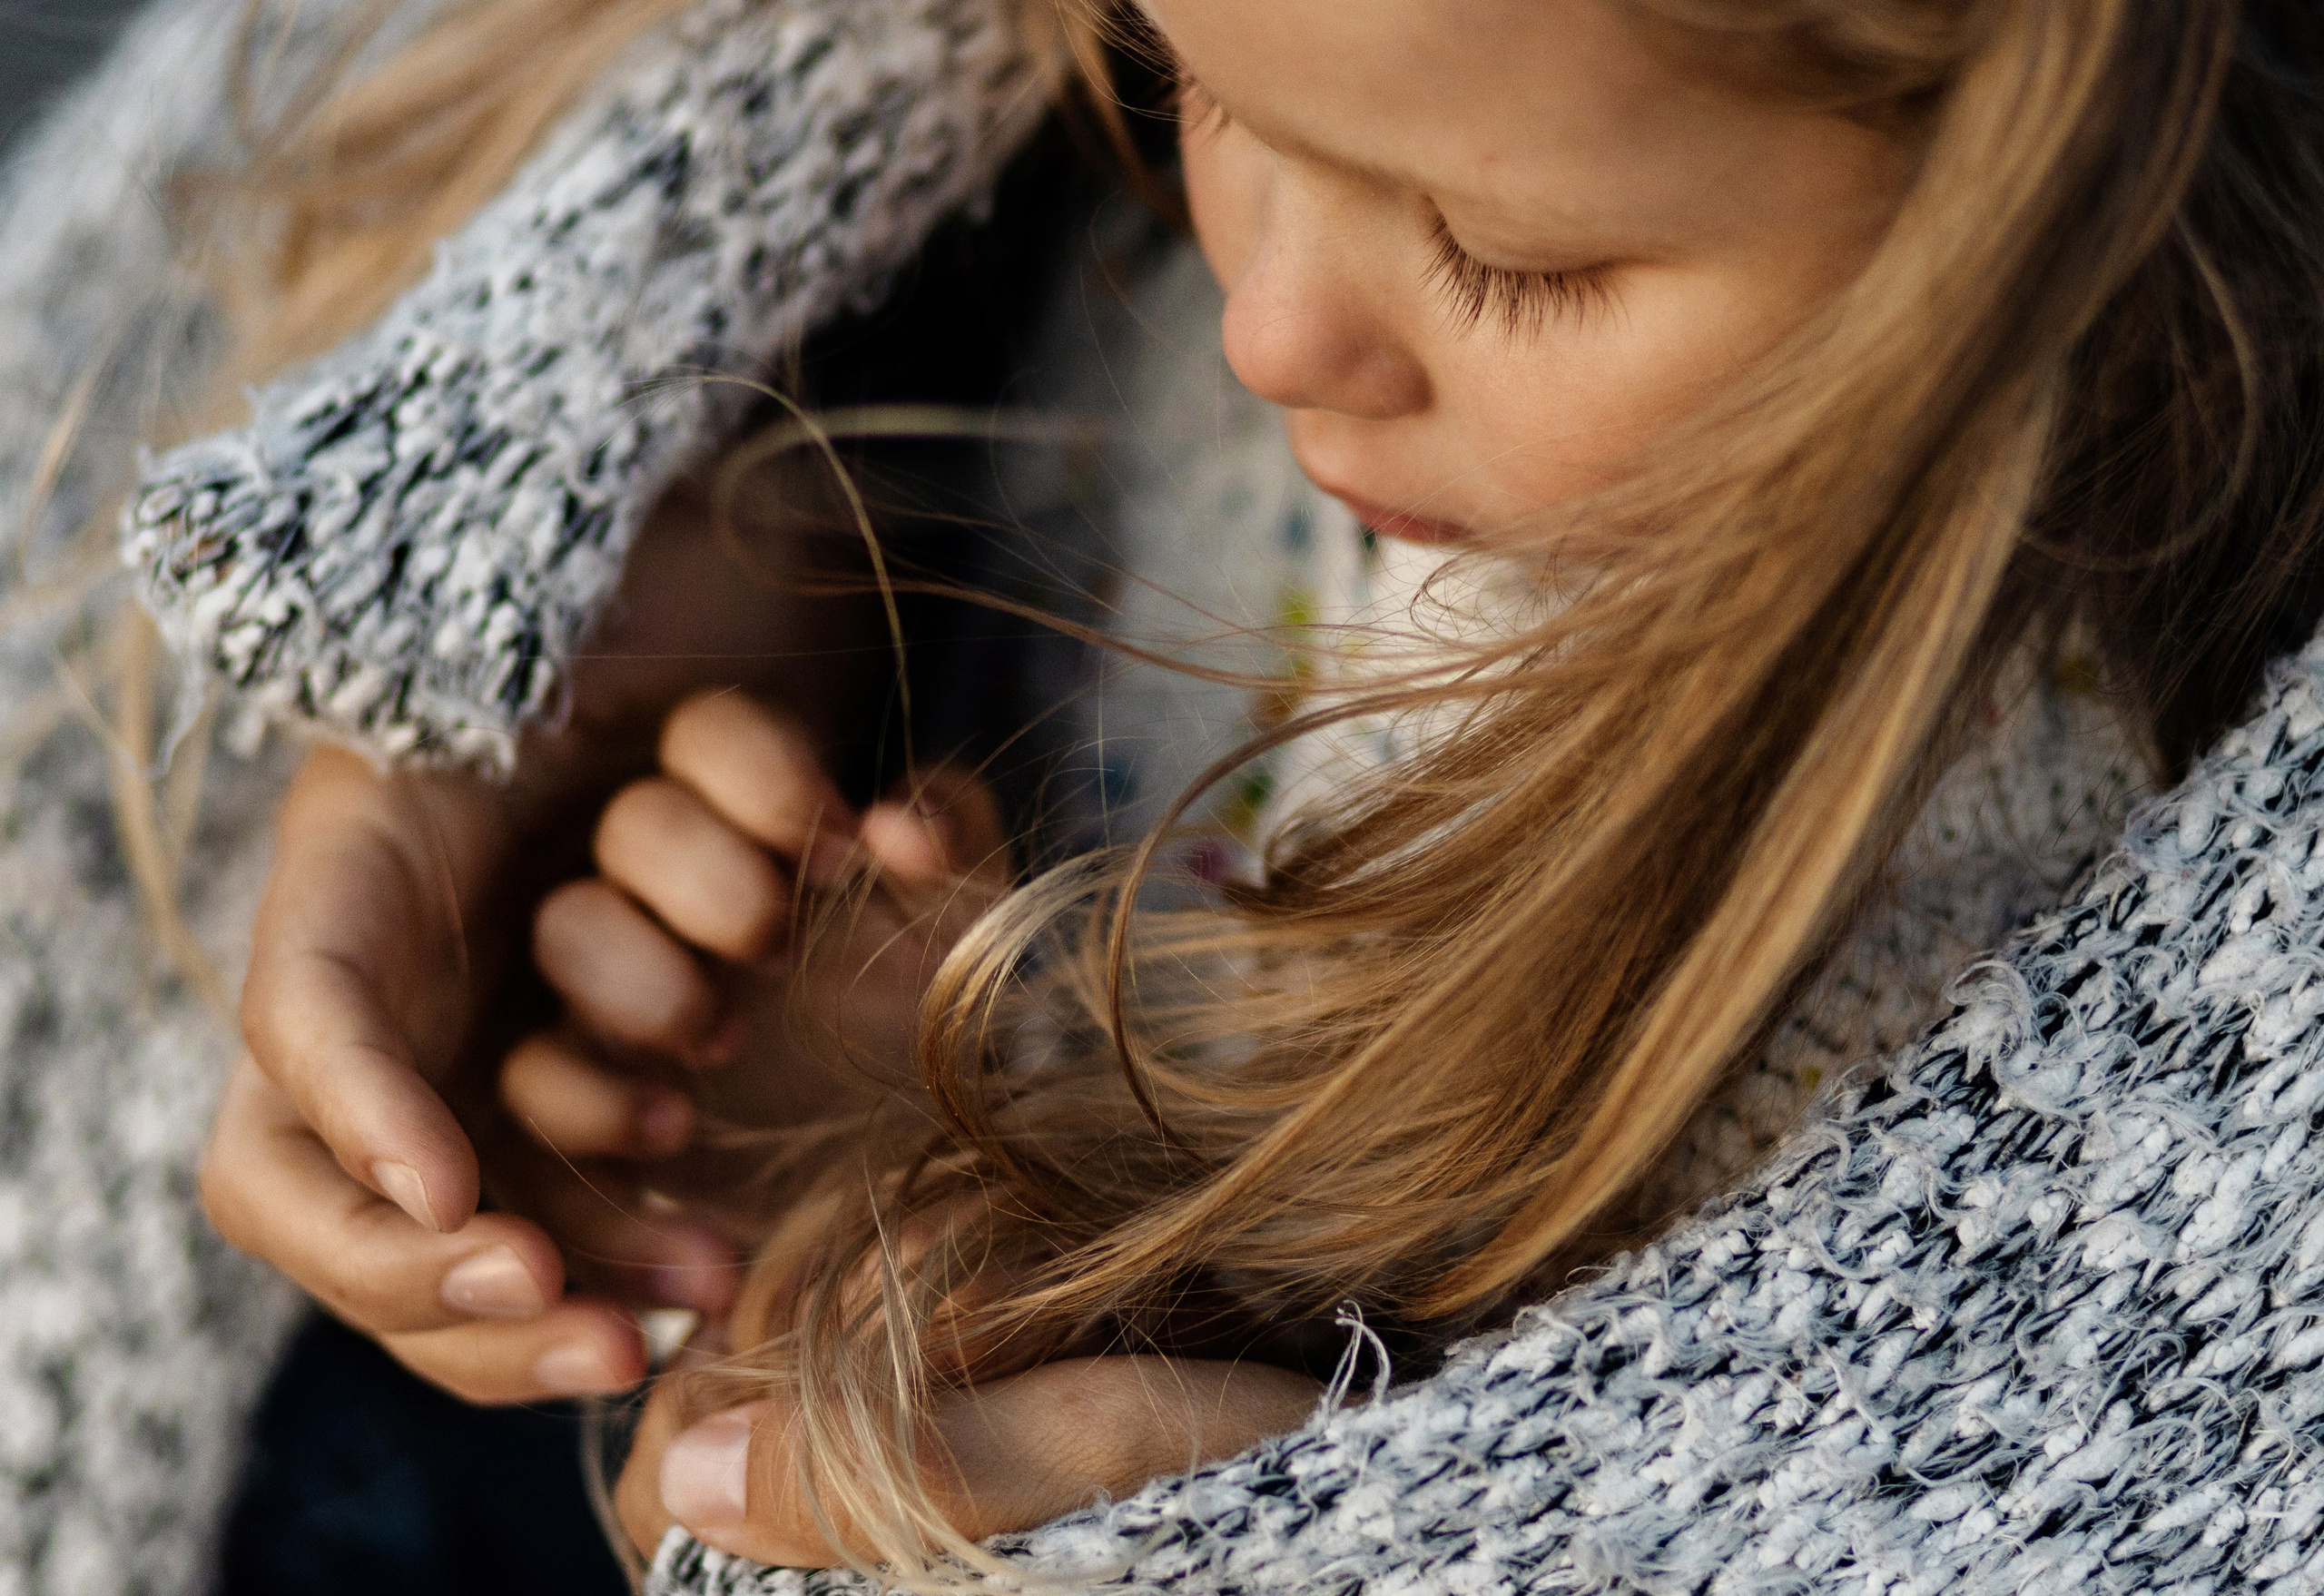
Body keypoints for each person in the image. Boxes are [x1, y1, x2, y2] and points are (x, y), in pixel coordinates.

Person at [24, 1, 2324, 1593]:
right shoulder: (1350, 304)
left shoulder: (1975, 901)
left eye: (1506, 254)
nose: (1270, 322)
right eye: (1183, 80)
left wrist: (905, 1394)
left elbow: (1538, 1426)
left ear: (2064, 231)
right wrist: (826, 1017)